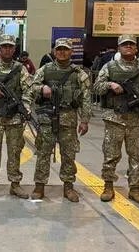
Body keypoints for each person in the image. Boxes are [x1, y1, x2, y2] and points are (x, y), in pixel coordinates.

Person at [93, 34, 139, 205]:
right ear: (119, 48)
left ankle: (135, 188)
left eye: (131, 44)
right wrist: (110, 85)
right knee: (111, 155)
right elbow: (97, 87)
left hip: (137, 119)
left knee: (136, 156)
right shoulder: (110, 67)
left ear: (136, 48)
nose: (128, 47)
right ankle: (108, 186)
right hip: (114, 119)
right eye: (124, 45)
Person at [31, 38, 92, 202]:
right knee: (43, 152)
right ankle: (39, 185)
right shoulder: (45, 70)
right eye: (59, 49)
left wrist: (84, 120)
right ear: (54, 51)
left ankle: (68, 186)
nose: (62, 52)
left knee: (68, 154)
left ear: (71, 52)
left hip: (68, 118)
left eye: (65, 49)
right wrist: (41, 88)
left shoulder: (79, 74)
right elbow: (31, 86)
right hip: (47, 118)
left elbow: (86, 98)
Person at [0, 35, 33, 200]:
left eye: (10, 46)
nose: (7, 49)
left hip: (14, 118)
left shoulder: (20, 69)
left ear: (14, 49)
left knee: (15, 152)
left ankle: (15, 184)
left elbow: (28, 91)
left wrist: (26, 109)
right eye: (4, 46)